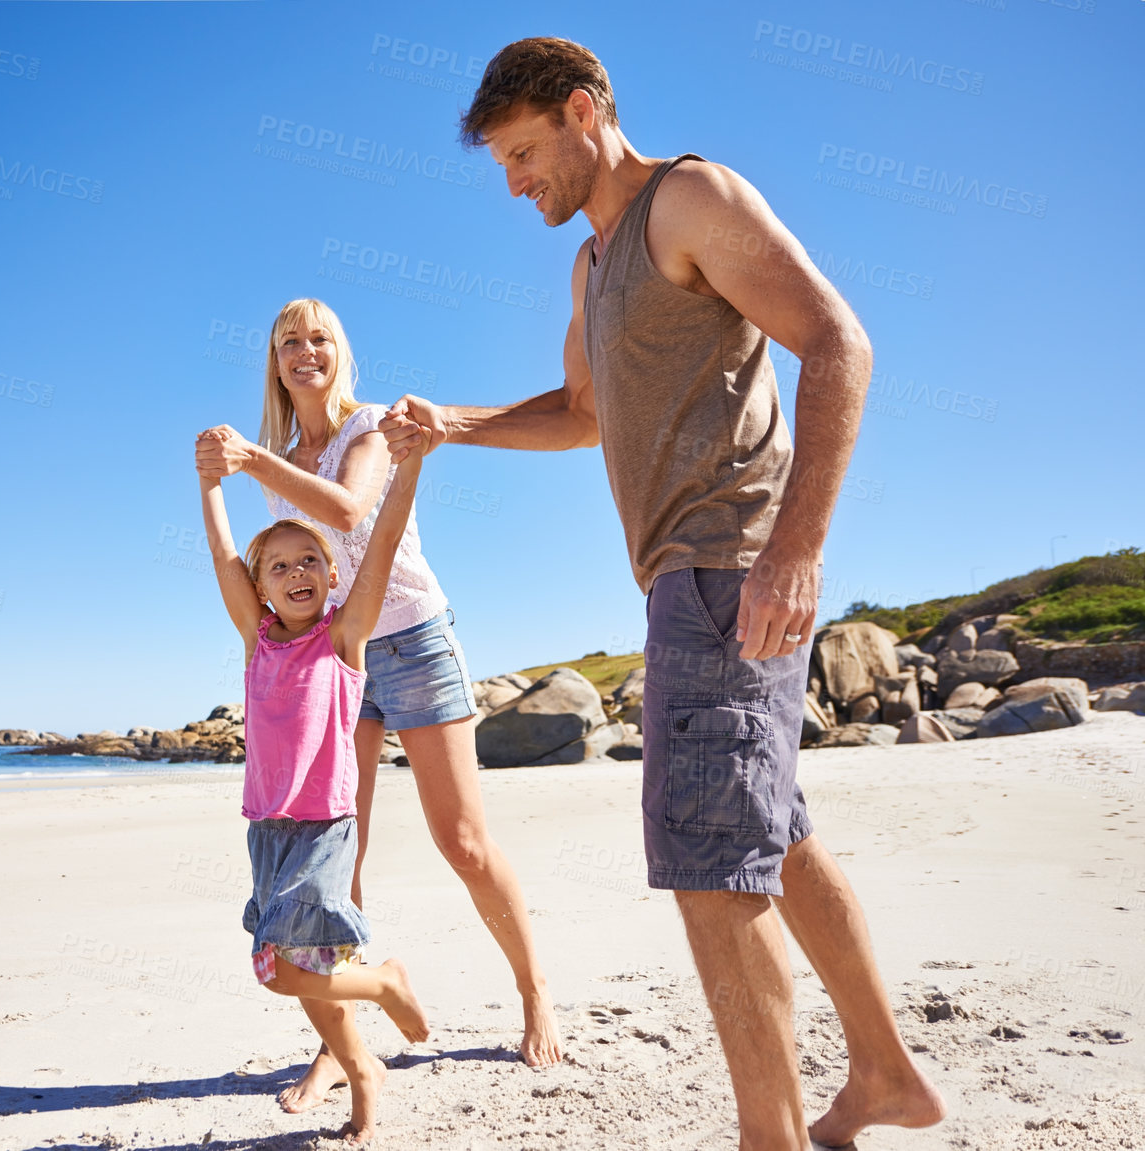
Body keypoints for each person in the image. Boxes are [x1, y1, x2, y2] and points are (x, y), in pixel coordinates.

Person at [379, 37, 945, 1151]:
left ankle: (767, 1136)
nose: (513, 181)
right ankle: (880, 1069)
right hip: (686, 577)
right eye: (499, 162)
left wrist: (795, 549)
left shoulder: (689, 199)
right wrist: (456, 424)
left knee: (708, 864)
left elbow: (837, 343)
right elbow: (585, 410)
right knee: (769, 833)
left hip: (727, 570)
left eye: (524, 151)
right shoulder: (591, 267)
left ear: (585, 112)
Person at [196, 298, 562, 1099]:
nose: (304, 351)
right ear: (274, 360)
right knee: (339, 853)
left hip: (414, 640)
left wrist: (250, 460)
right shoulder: (282, 460)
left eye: (319, 338)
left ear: (341, 351)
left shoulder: (368, 428)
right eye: (288, 341)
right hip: (335, 660)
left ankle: (534, 992)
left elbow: (352, 511)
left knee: (462, 840)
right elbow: (283, 576)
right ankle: (345, 1041)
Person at [197, 430, 431, 1147]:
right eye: (278, 566)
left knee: (280, 969)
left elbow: (384, 540)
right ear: (259, 584)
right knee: (296, 966)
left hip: (325, 823)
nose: (296, 573)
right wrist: (210, 480)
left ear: (331, 578)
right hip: (268, 827)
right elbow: (220, 556)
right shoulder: (257, 638)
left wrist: (410, 465)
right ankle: (363, 1070)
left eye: (309, 562)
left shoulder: (342, 638)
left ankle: (387, 982)